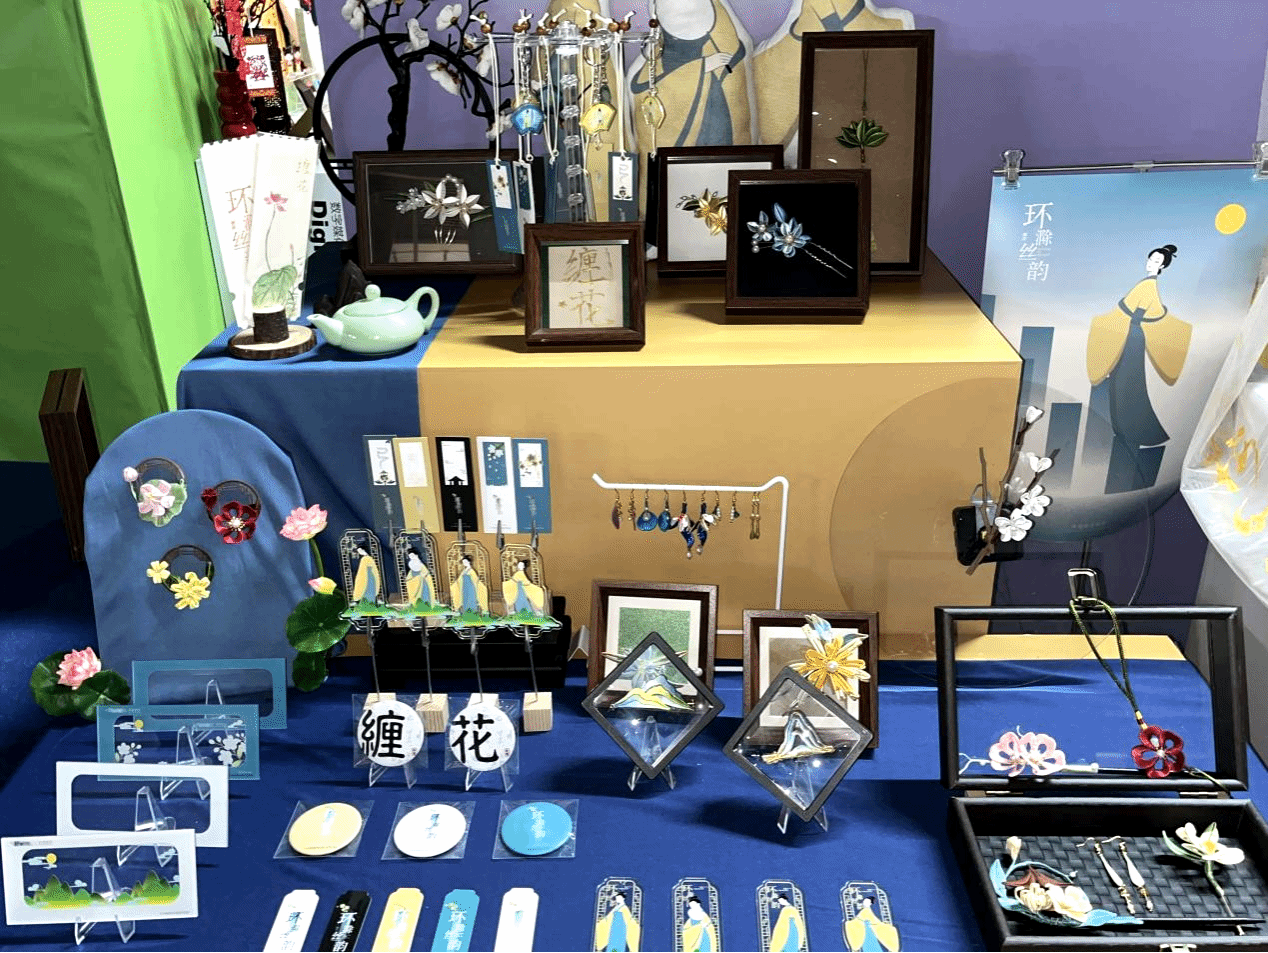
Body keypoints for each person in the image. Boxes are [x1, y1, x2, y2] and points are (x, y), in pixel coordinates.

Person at [1086, 244, 1192, 494]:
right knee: (1122, 382)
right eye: (1150, 258)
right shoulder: (1145, 284)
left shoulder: (1149, 286)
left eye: (1156, 261)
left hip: (1131, 337)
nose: (1150, 262)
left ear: (1162, 266)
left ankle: (1129, 430)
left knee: (1126, 383)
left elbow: (1138, 311)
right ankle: (1125, 429)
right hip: (1130, 335)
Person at [630, 0, 753, 148]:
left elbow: (738, 54)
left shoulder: (720, 38)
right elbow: (643, 89)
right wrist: (703, 66)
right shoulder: (652, 58)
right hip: (672, 153)